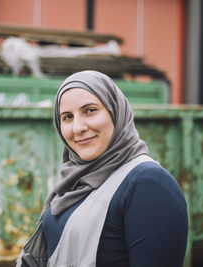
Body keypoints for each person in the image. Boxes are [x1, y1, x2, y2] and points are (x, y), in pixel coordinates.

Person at [16, 70, 188, 267]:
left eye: (89, 110)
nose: (77, 127)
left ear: (115, 111)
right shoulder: (74, 179)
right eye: (67, 117)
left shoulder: (148, 184)